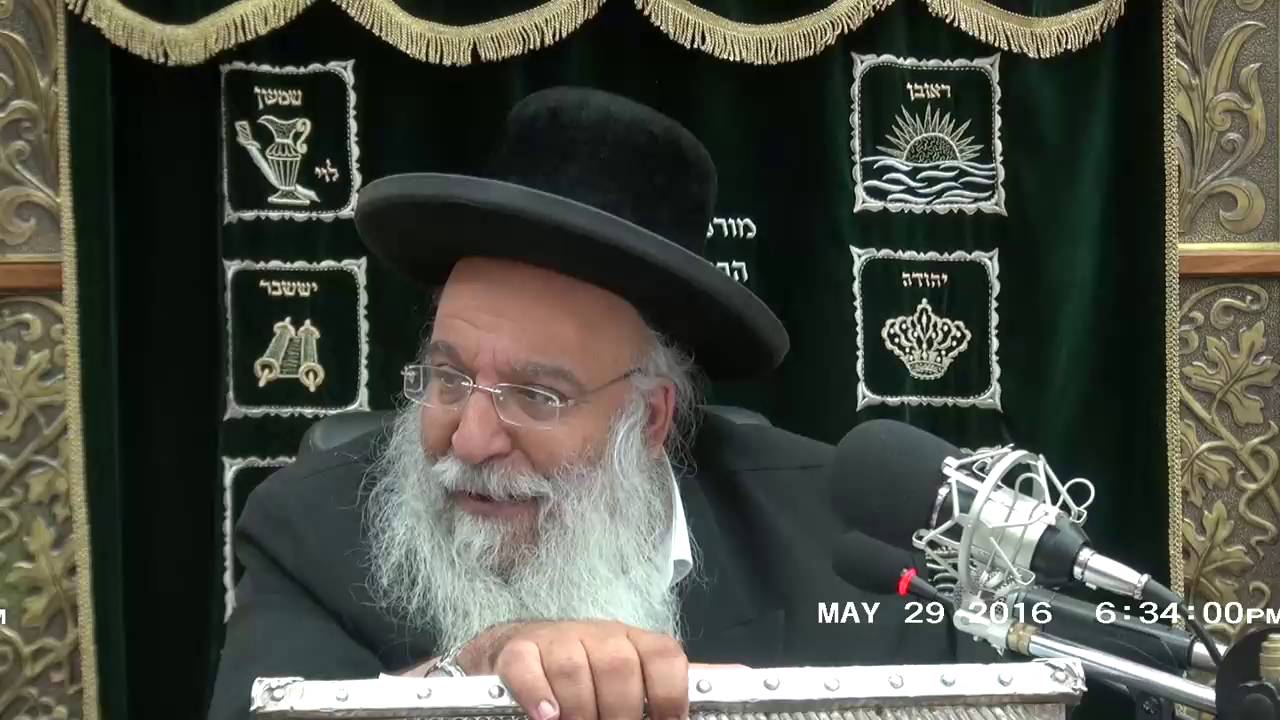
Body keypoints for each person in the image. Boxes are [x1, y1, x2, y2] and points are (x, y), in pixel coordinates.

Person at [208, 87, 975, 720]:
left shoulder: (841, 547)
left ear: (651, 419)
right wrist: (465, 678)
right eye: (449, 379)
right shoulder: (310, 530)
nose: (471, 439)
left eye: (538, 395)